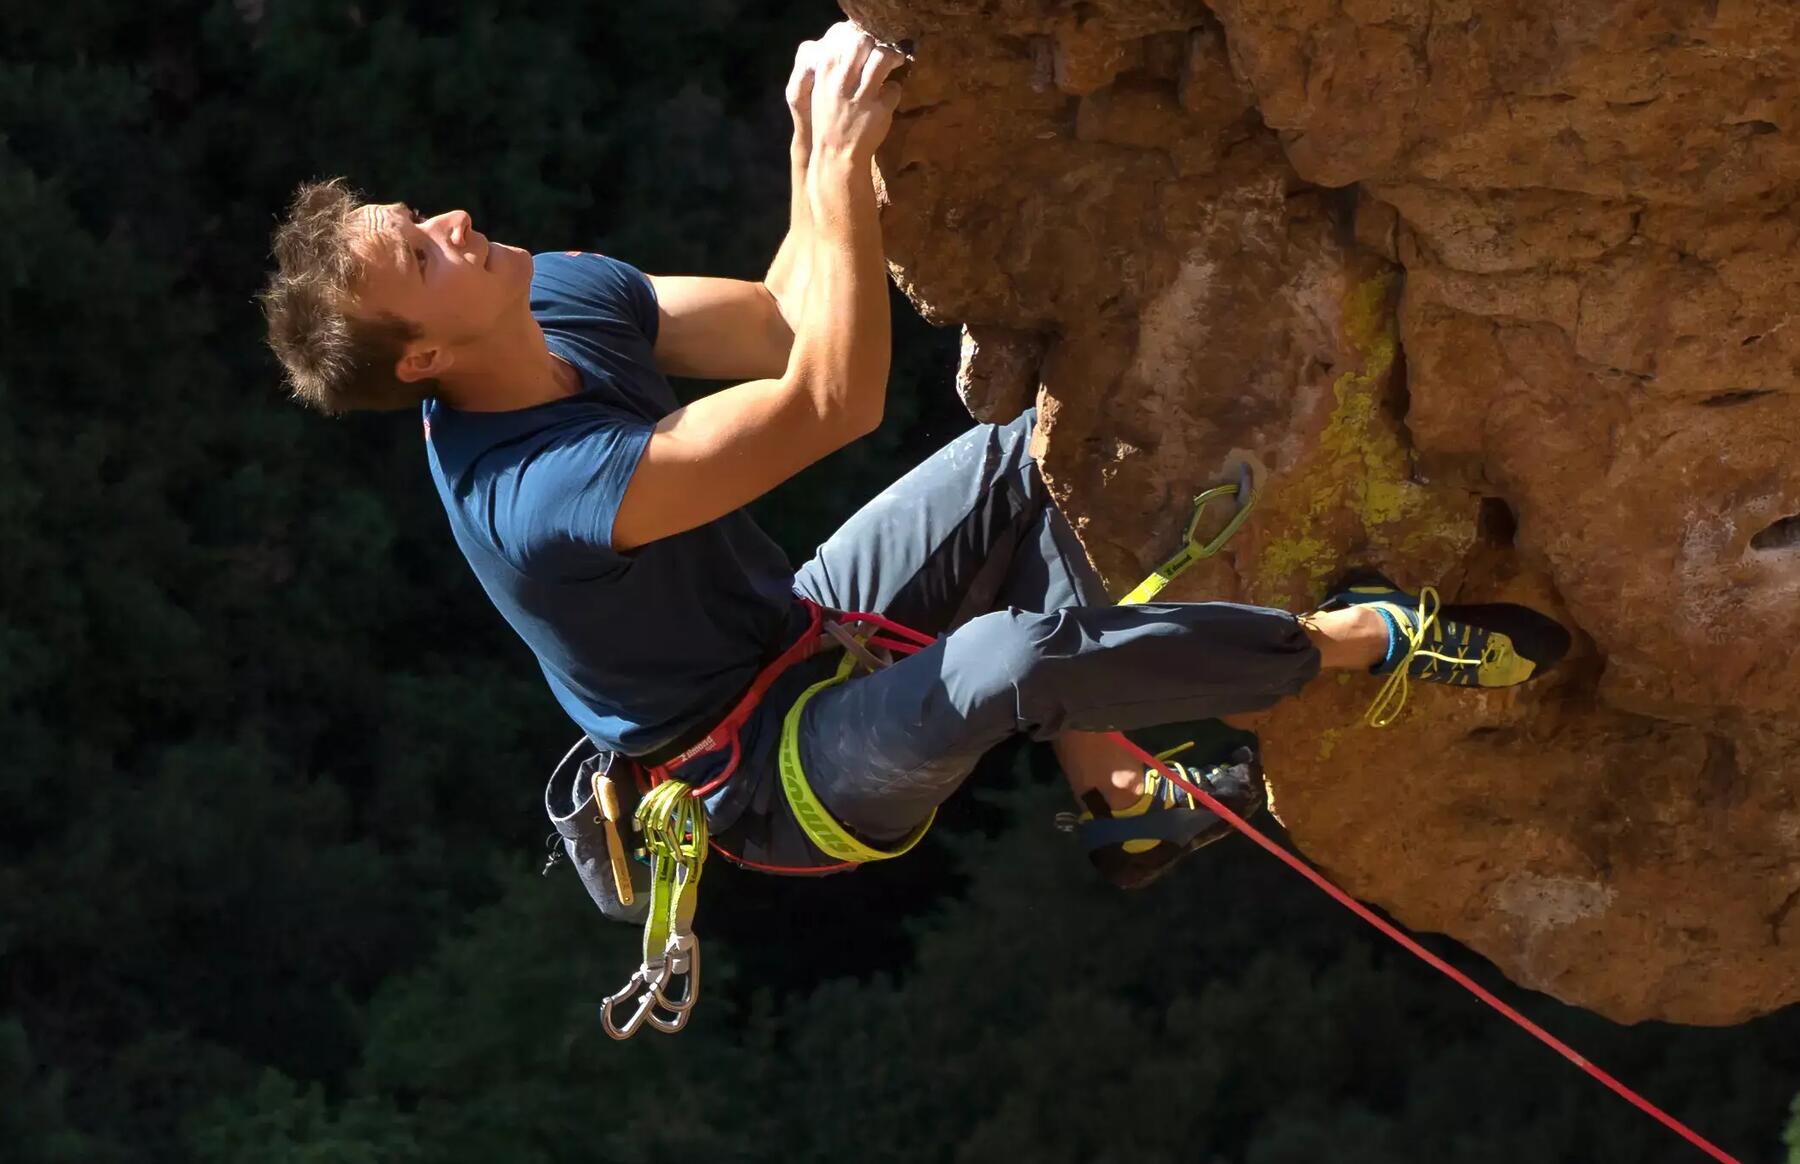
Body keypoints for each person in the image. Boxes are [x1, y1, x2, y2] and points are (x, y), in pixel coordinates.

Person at [258, 23, 1569, 909]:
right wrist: (835, 164)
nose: (455, 224)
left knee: (1024, 456)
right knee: (1006, 657)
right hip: (766, 774)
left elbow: (779, 317)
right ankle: (1367, 644)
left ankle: (1115, 792)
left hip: (801, 631)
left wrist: (815, 143)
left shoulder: (554, 297)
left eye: (417, 218)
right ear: (423, 360)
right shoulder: (535, 500)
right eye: (421, 256)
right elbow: (830, 402)